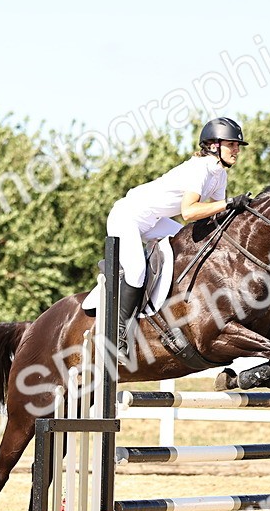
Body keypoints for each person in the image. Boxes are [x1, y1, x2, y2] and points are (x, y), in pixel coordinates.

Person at [106, 116, 253, 357]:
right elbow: (189, 212)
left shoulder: (219, 174)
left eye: (237, 146)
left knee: (189, 247)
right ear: (214, 145)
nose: (237, 150)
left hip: (154, 220)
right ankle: (117, 333)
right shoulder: (200, 169)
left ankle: (168, 312)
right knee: (136, 272)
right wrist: (228, 203)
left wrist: (239, 210)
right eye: (232, 144)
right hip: (128, 216)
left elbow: (215, 217)